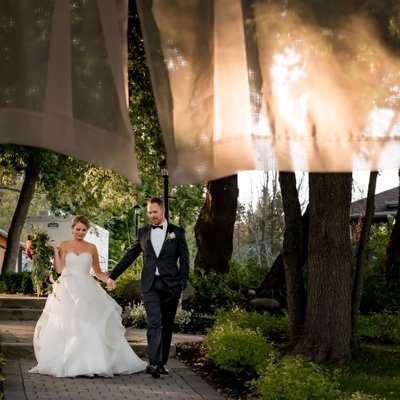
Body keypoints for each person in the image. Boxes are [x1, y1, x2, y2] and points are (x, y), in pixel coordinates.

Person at [29, 215, 146, 378]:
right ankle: (71, 363)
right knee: (70, 326)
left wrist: (110, 280)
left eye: (84, 230)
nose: (81, 232)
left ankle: (94, 363)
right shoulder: (64, 245)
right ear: (72, 229)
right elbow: (58, 269)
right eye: (78, 229)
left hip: (87, 288)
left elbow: (98, 272)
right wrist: (55, 250)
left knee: (91, 325)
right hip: (67, 289)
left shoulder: (91, 248)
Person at [107, 197, 190, 378]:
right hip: (150, 284)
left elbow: (185, 260)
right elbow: (130, 255)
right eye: (149, 212)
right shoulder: (143, 232)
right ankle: (153, 362)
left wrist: (182, 282)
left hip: (171, 285)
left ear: (163, 211)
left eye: (155, 212)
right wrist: (113, 275)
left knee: (167, 324)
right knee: (153, 321)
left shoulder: (177, 232)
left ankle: (162, 363)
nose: (152, 215)